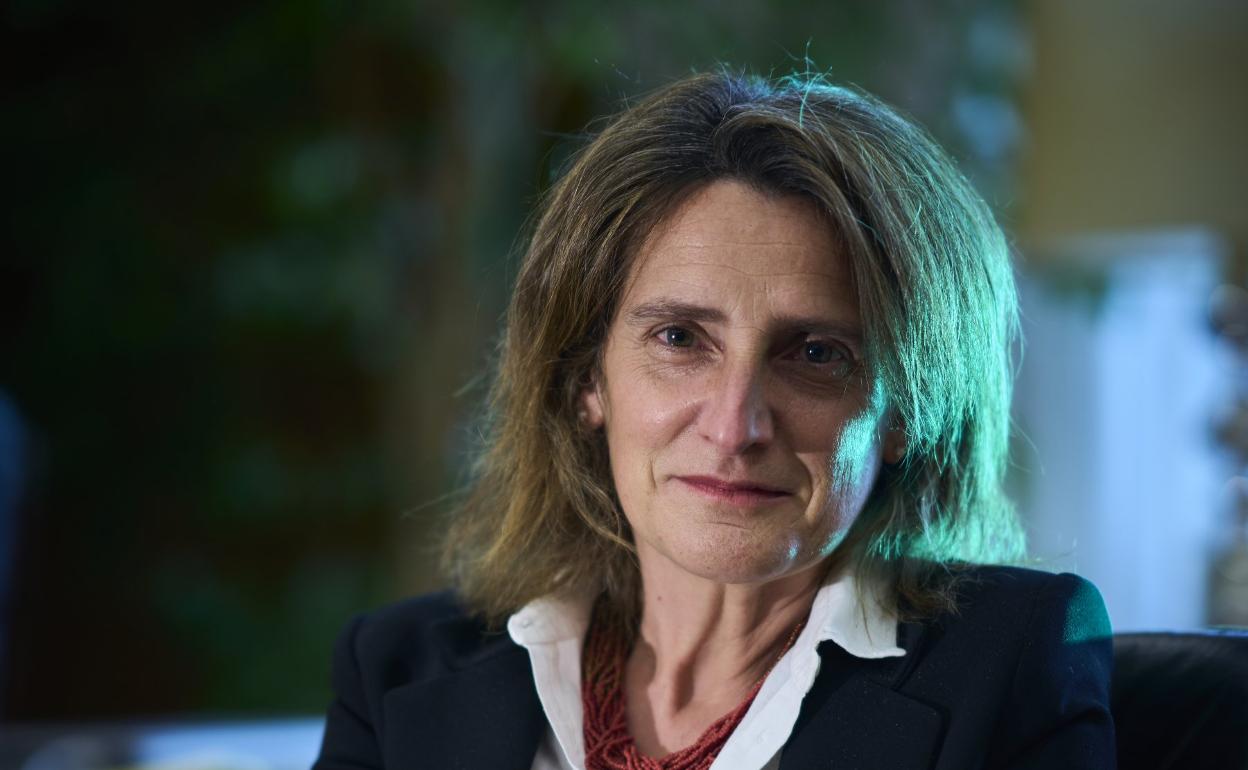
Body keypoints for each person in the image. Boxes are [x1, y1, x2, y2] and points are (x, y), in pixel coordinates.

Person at [313, 71, 1115, 770]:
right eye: (679, 339)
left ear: (908, 410)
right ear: (587, 378)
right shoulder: (397, 673)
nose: (735, 427)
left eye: (816, 353)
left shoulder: (1012, 663)